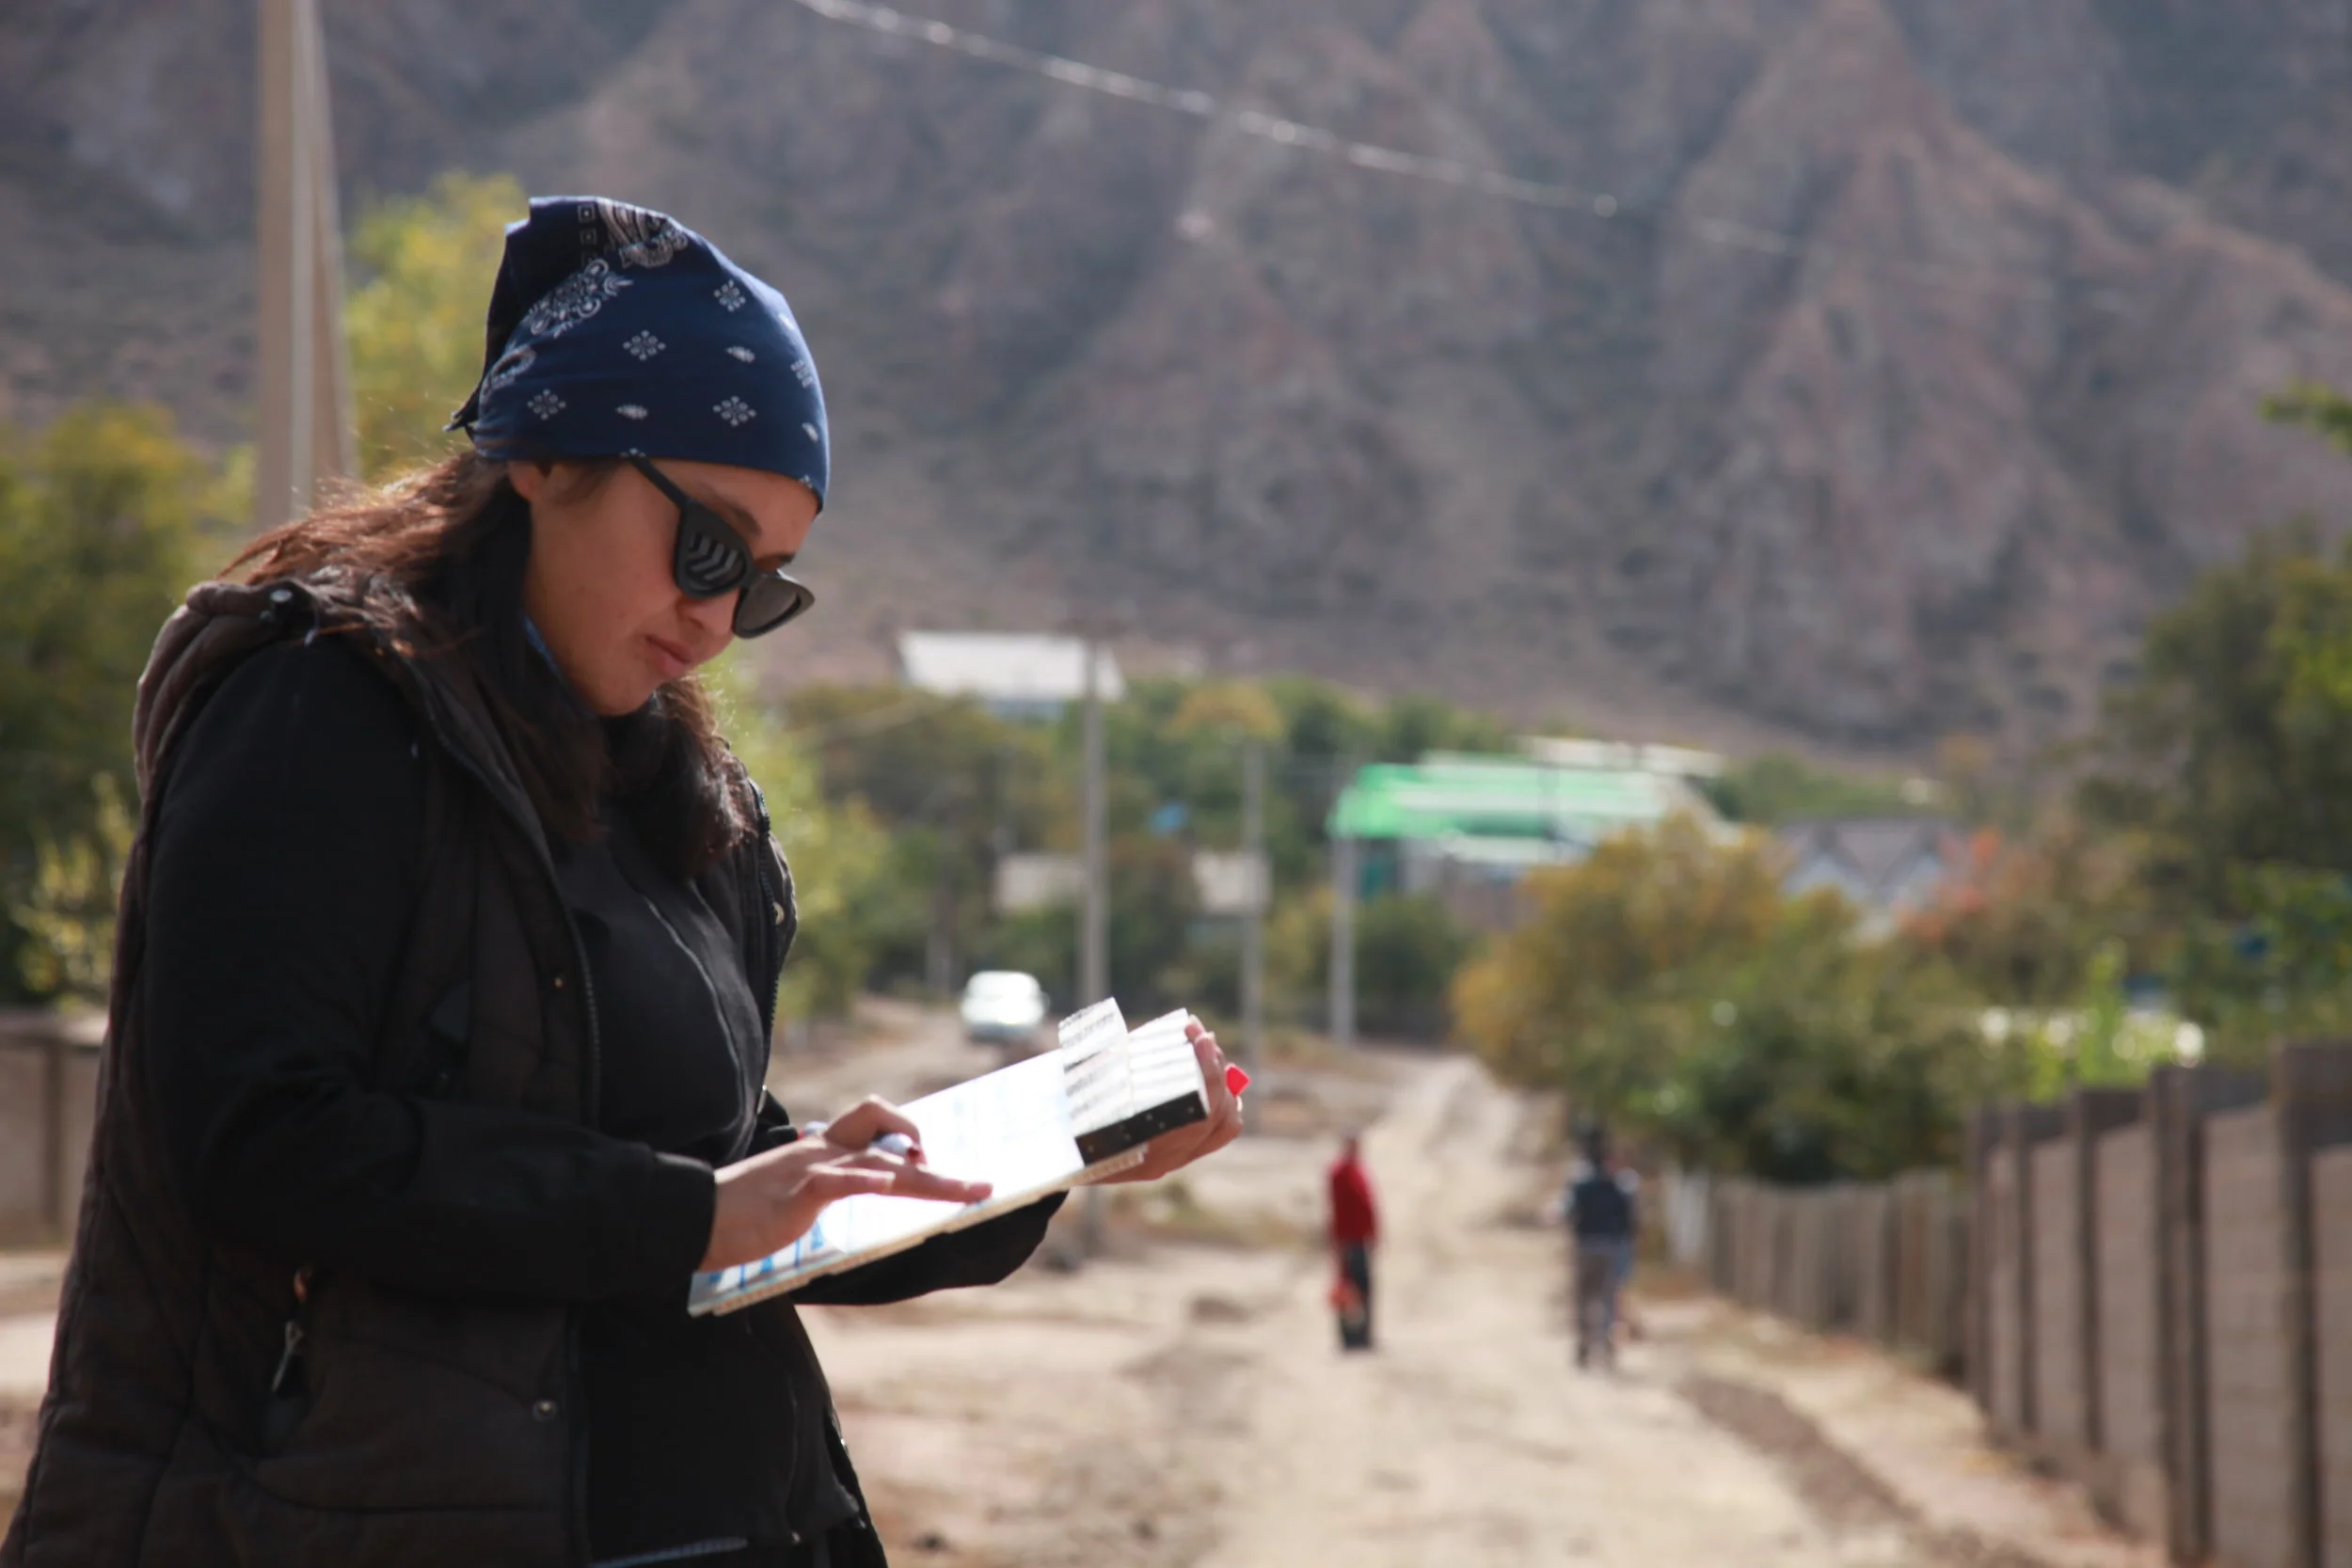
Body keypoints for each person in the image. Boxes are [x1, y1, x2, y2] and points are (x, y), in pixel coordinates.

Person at [0, 197, 1242, 1568]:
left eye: (764, 586)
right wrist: (689, 1214)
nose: (717, 619)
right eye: (707, 546)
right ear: (548, 454)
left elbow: (726, 1180)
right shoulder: (320, 709)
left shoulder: (680, 799)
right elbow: (261, 1138)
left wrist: (1044, 1155)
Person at [1565, 1138, 1639, 1370]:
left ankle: (1584, 1345)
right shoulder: (1619, 1187)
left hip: (1586, 1246)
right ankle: (1606, 1347)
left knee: (1583, 1298)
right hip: (1610, 1247)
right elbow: (1629, 1222)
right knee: (1607, 1299)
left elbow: (1570, 1213)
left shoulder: (1581, 1186)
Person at [1327, 1133, 1380, 1351]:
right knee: (1348, 1290)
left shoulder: (1357, 1170)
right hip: (1348, 1240)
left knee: (1364, 1290)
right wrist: (1338, 1243)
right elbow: (1338, 1209)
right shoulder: (1340, 1172)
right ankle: (1348, 1339)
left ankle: (1364, 1336)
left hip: (1361, 1239)